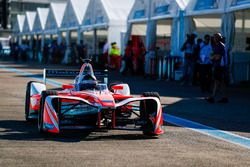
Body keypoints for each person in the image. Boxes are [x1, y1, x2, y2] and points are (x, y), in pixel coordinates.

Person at [206, 33, 228, 103]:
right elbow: (212, 55)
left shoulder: (220, 46)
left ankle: (213, 97)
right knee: (219, 82)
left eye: (216, 37)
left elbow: (218, 57)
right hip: (217, 65)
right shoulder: (216, 45)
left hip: (219, 66)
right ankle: (223, 97)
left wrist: (213, 57)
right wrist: (213, 56)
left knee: (218, 81)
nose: (214, 38)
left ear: (219, 38)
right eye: (214, 37)